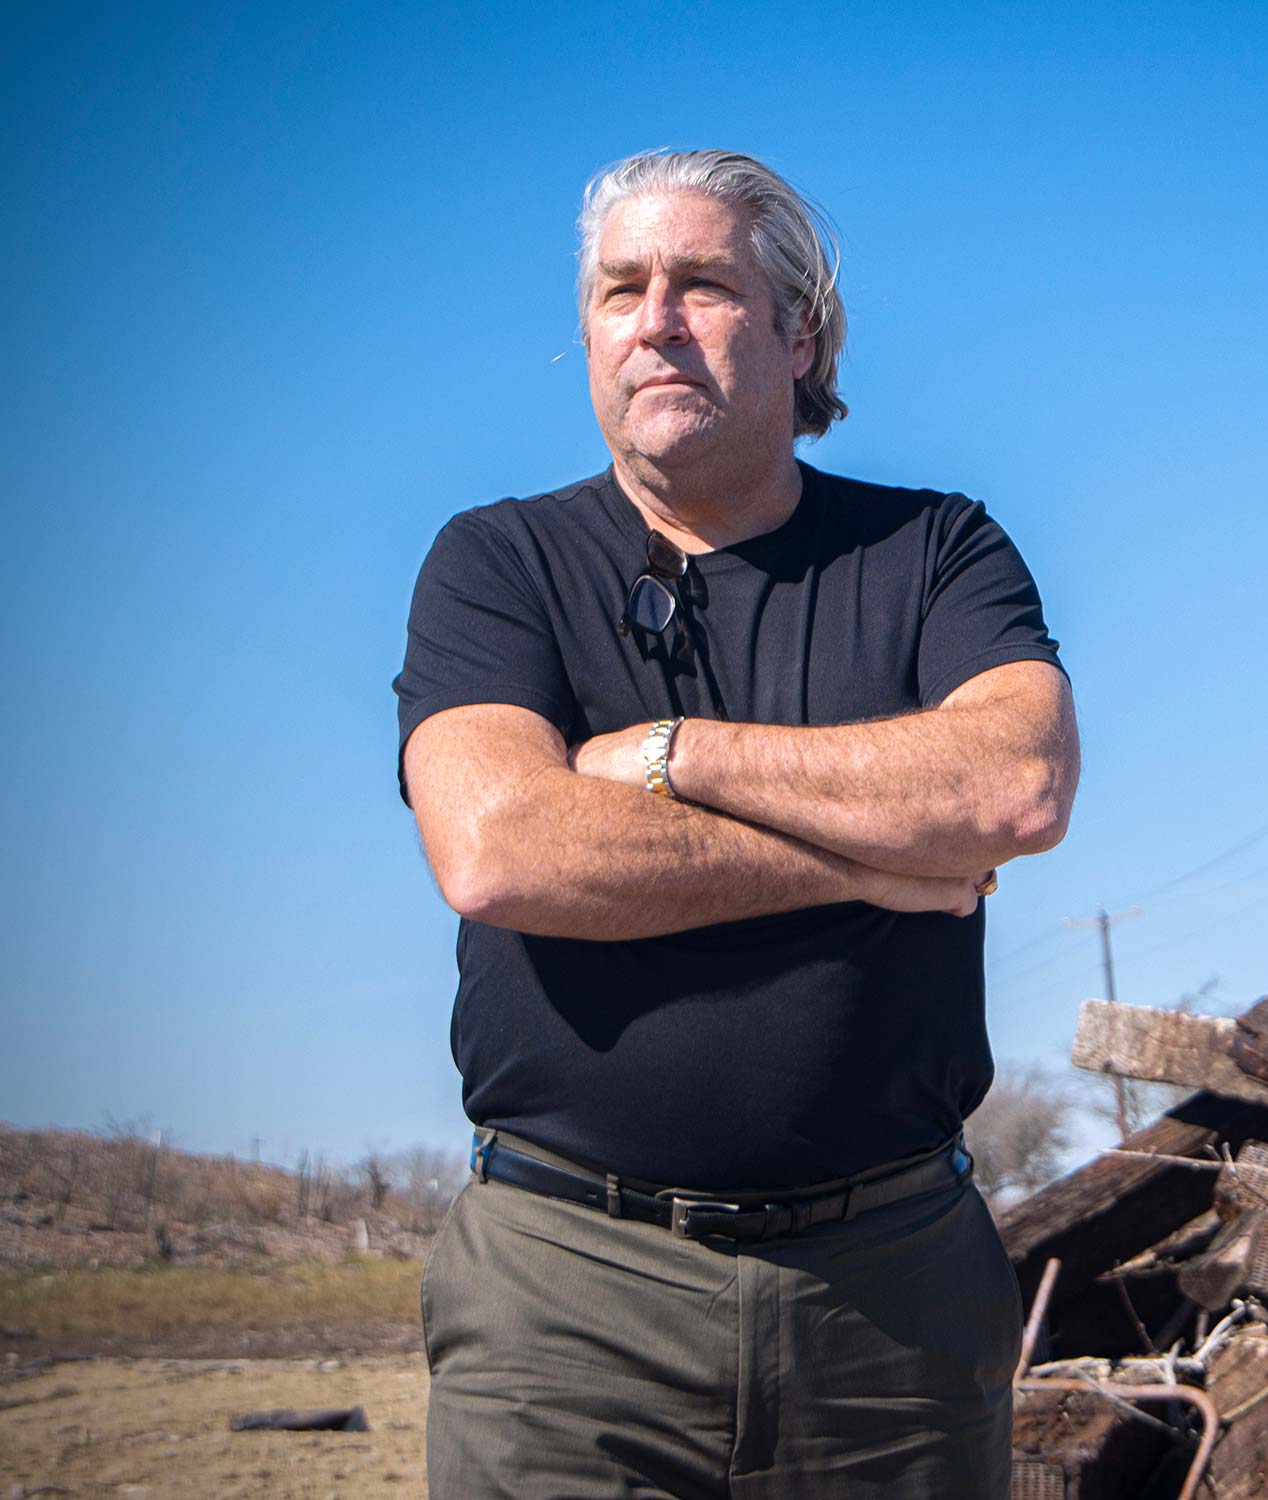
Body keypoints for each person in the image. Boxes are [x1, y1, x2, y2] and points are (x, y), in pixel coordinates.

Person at [393, 148, 1079, 1500]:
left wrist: (668, 754)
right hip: (568, 1295)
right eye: (617, 290)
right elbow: (501, 851)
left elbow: (1012, 790)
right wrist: (876, 865)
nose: (653, 319)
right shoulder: (496, 562)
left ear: (796, 330)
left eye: (701, 284)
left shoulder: (937, 550)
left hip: (891, 1296)